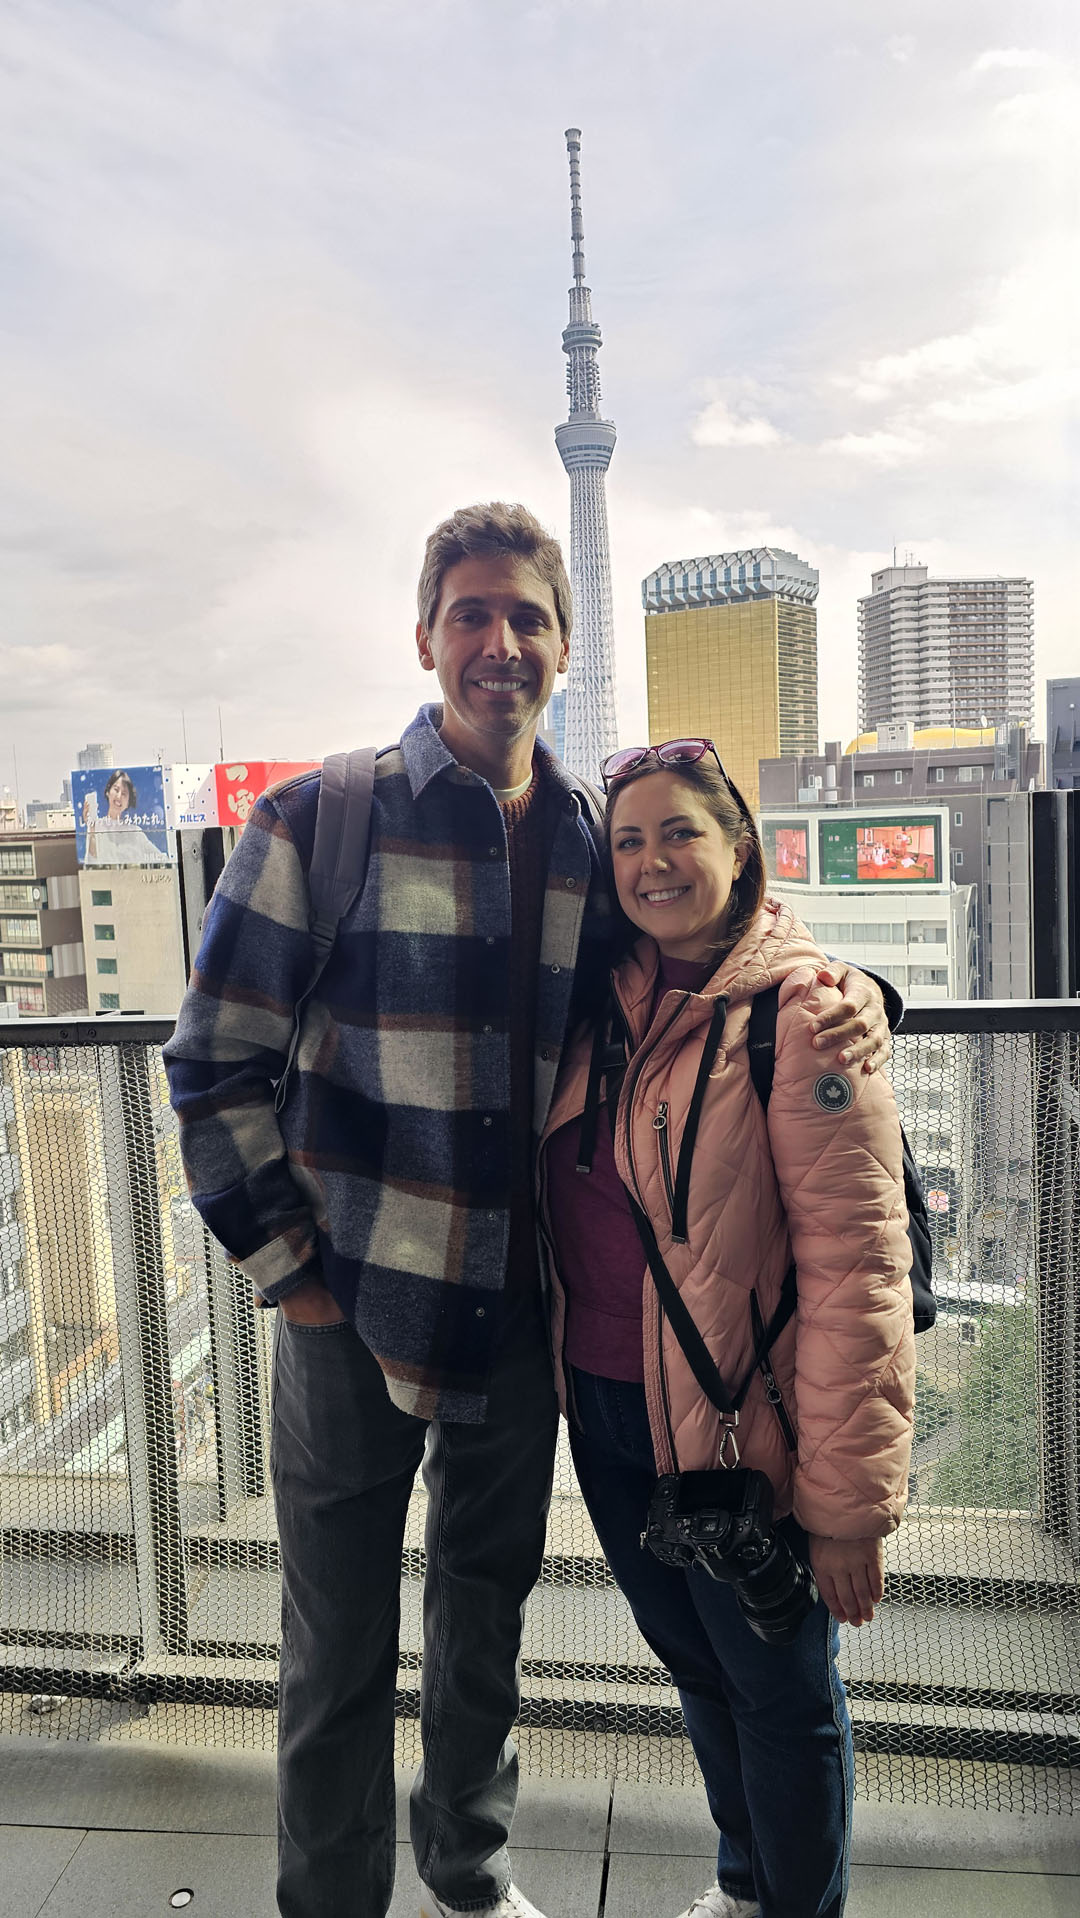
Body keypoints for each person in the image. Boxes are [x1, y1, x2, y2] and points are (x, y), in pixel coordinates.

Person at [163, 505, 894, 1918]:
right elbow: (211, 1062)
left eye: (528, 619)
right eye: (471, 614)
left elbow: (712, 940)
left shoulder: (581, 836)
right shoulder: (322, 816)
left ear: (563, 644)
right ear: (425, 633)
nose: (500, 644)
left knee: (483, 1618)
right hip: (347, 1307)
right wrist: (291, 1271)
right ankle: (332, 1902)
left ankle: (469, 1875)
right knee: (336, 1648)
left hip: (516, 1314)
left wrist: (849, 992)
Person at [539, 740, 916, 1918]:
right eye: (631, 839)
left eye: (681, 832)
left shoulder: (802, 1020)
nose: (653, 860)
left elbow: (858, 1272)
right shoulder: (600, 999)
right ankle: (748, 1881)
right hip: (607, 1408)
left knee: (783, 1696)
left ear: (738, 847)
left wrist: (848, 1507)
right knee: (699, 1668)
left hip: (745, 1429)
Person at [81, 767, 172, 866]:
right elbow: (91, 864)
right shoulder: (96, 827)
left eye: (124, 794)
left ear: (128, 802)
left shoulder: (135, 832)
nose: (119, 796)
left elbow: (162, 860)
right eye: (116, 789)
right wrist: (92, 829)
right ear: (108, 792)